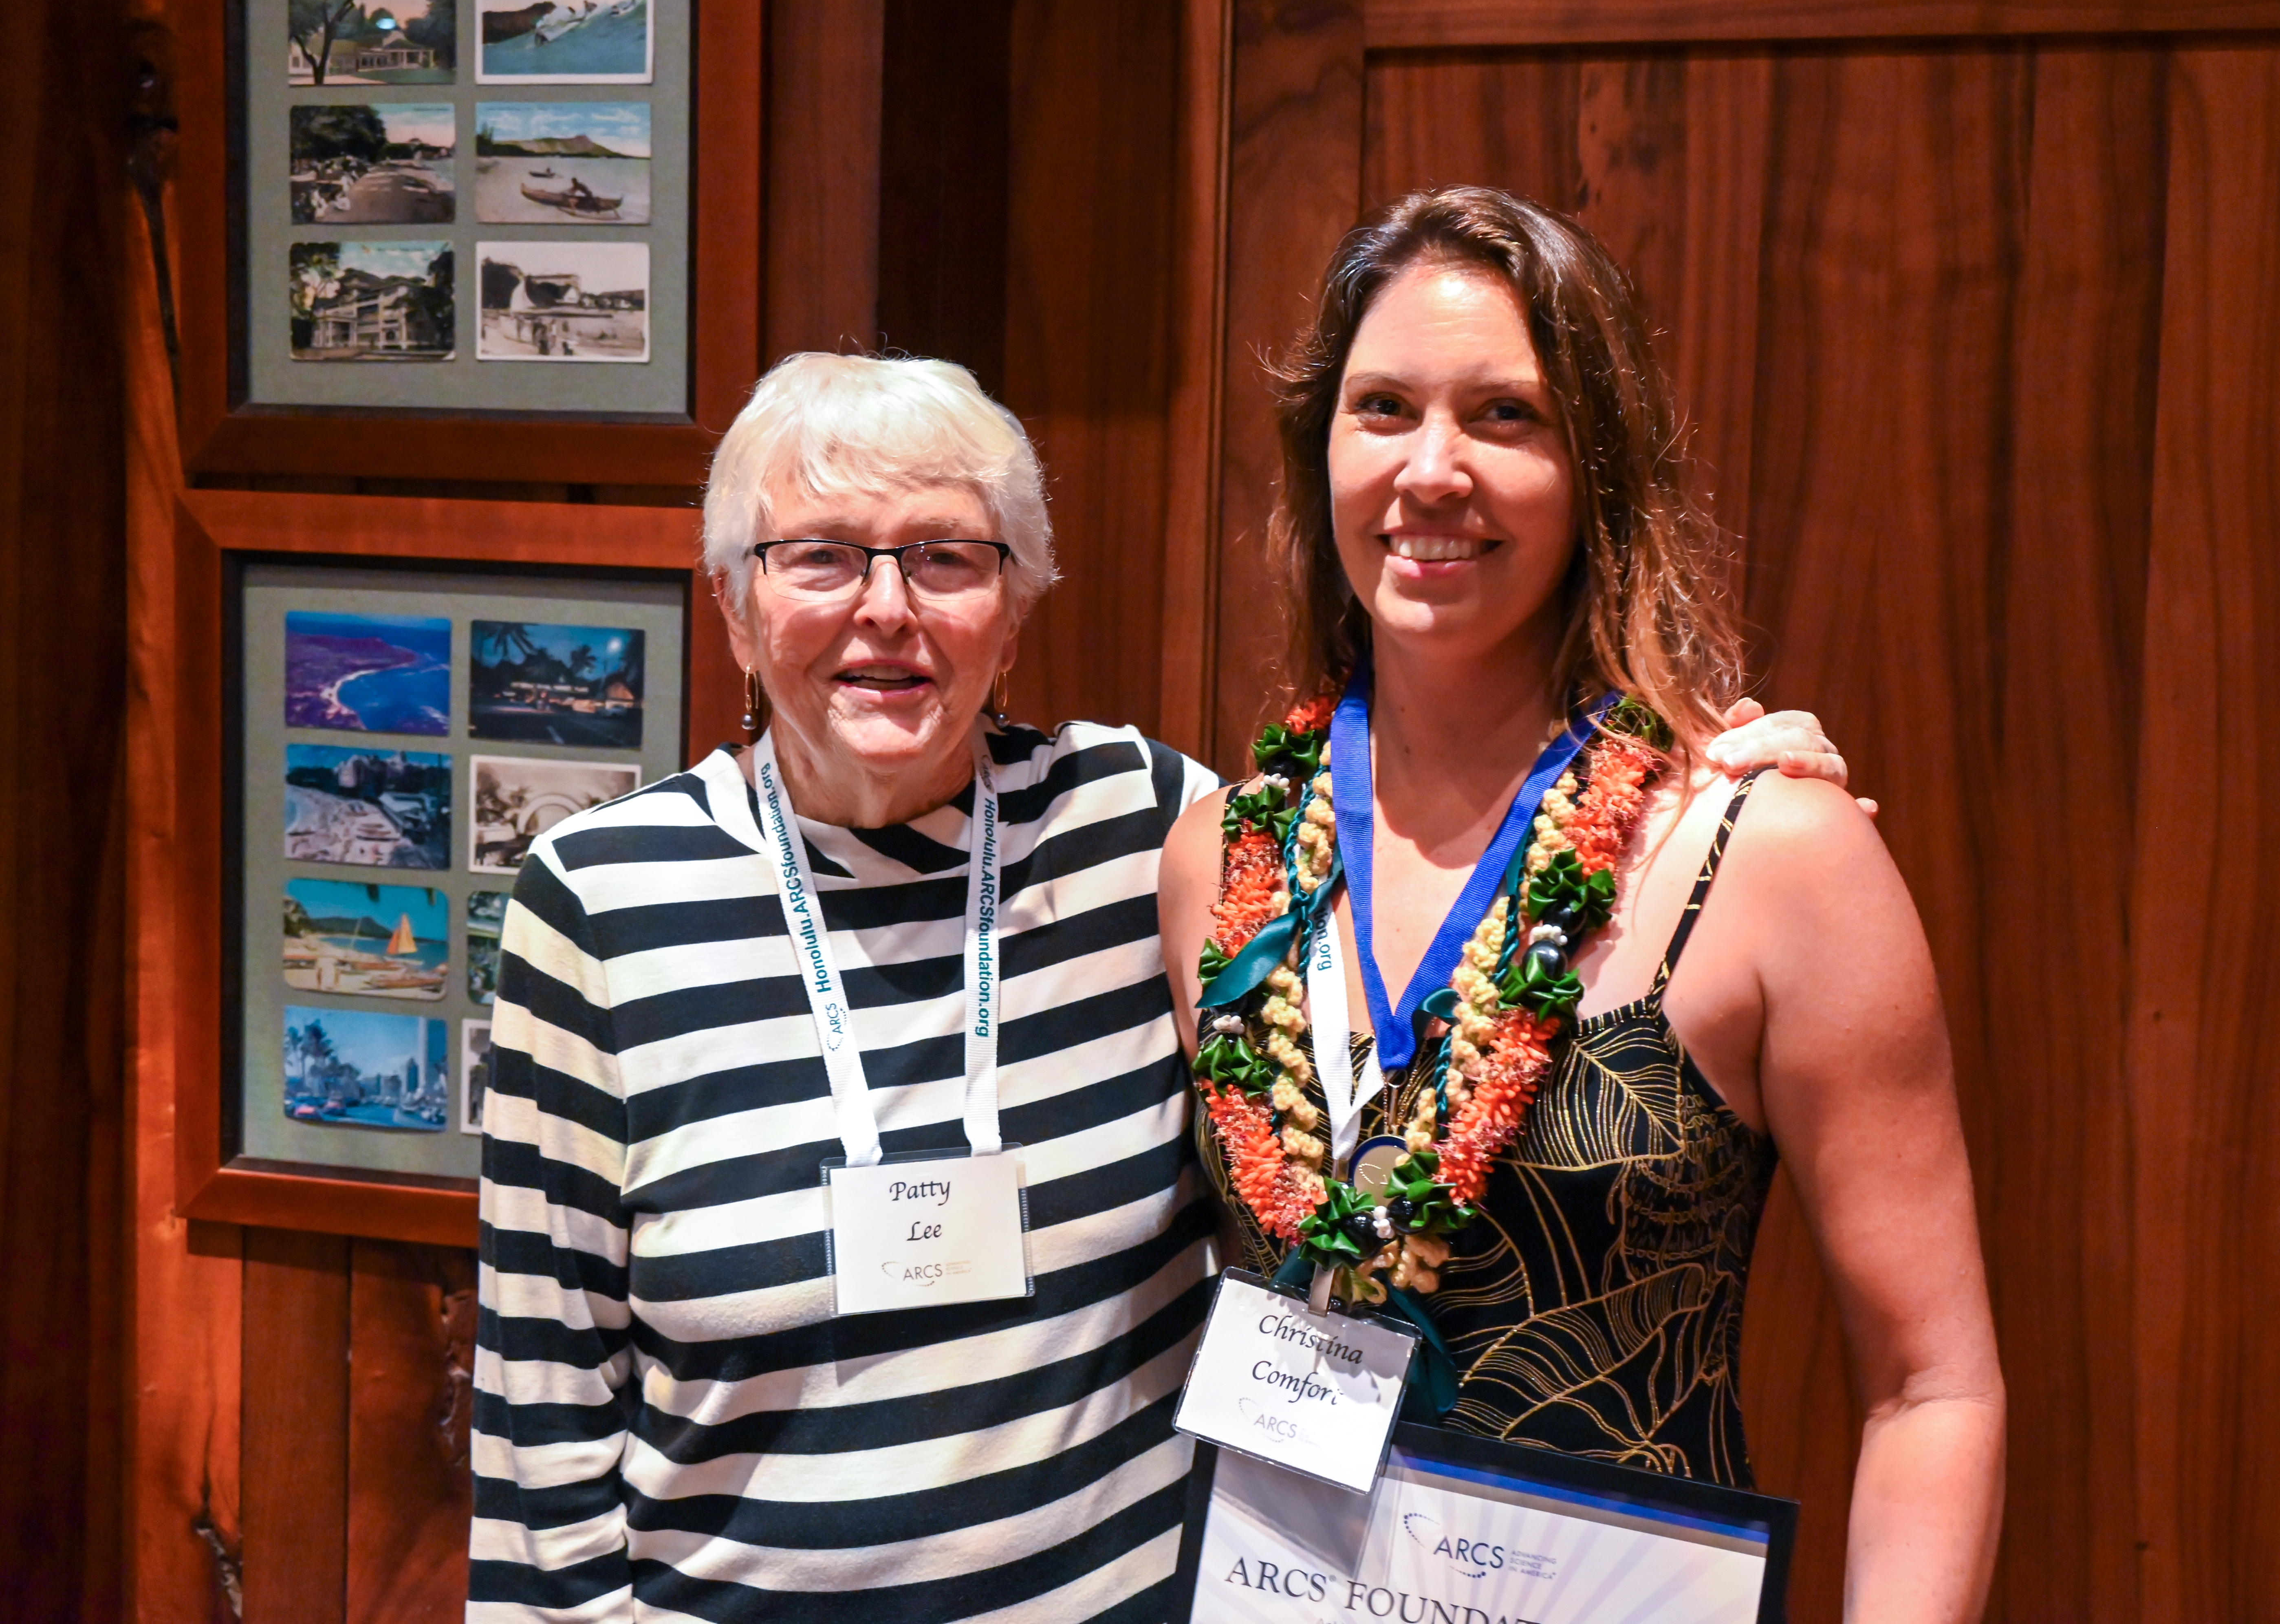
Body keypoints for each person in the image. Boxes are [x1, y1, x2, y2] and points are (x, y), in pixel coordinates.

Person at [469, 350, 1851, 1622]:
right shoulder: (599, 902)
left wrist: (1708, 773)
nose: (886, 610)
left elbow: (1440, 867)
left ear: (1013, 613)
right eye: (820, 558)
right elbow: (545, 1420)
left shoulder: (1155, 830)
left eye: (947, 559)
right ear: (732, 602)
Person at [1159, 187, 2006, 1623]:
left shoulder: (1771, 854)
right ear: (1320, 461)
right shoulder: (1221, 865)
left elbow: (1934, 1387)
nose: (1433, 471)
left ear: (1596, 468)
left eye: (1505, 416)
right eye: (1382, 411)